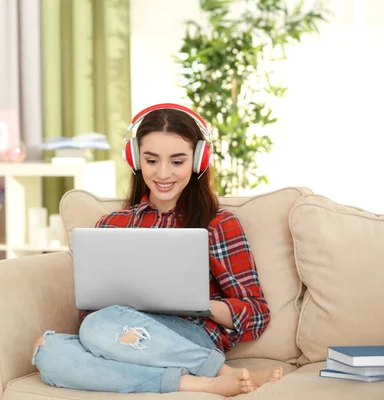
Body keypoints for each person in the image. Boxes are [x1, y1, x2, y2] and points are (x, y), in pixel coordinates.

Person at [31, 105, 282, 396]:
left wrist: (198, 303)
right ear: (136, 159)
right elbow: (92, 313)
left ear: (198, 161)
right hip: (124, 336)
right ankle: (204, 381)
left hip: (187, 337)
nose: (163, 174)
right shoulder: (113, 225)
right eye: (152, 160)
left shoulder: (218, 223)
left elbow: (256, 314)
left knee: (96, 328)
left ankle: (215, 368)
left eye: (177, 162)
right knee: (50, 352)